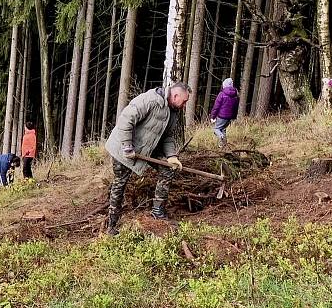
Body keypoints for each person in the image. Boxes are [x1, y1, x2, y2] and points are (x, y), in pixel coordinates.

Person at [103, 82, 191, 235]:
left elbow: (167, 137)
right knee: (120, 183)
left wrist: (172, 156)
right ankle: (112, 224)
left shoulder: (173, 111)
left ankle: (158, 212)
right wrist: (127, 145)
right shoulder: (150, 100)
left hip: (147, 147)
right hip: (123, 146)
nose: (184, 105)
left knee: (168, 169)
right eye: (184, 101)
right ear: (175, 95)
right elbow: (125, 119)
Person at [210, 78, 240, 148]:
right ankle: (223, 145)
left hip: (221, 116)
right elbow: (235, 108)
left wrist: (212, 117)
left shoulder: (222, 94)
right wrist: (233, 117)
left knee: (216, 129)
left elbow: (216, 107)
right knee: (223, 129)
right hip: (229, 117)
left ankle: (221, 137)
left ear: (224, 85)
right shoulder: (236, 95)